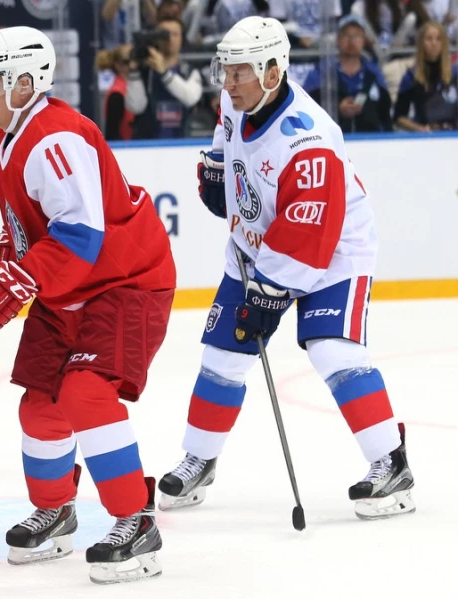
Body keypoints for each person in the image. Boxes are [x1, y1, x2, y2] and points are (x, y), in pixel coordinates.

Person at [157, 16, 415, 521]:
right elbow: (225, 137)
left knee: (333, 351)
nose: (227, 82)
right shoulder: (237, 100)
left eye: (239, 72)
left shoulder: (309, 141)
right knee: (223, 355)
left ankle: (392, 463)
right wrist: (216, 169)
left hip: (333, 251)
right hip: (258, 246)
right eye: (225, 70)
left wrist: (266, 295)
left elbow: (308, 239)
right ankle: (199, 460)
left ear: (272, 73)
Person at [0, 26, 176, 584]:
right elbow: (22, 232)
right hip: (68, 288)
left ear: (24, 82)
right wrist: (0, 280)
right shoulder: (6, 139)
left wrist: (20, 280)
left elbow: (81, 234)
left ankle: (136, 520)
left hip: (124, 282)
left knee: (85, 393)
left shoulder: (55, 139)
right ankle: (56, 511)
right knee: (40, 403)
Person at [301, 16, 393, 132]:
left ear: (364, 40)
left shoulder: (373, 73)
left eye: (356, 36)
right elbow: (306, 105)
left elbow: (385, 111)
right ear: (338, 40)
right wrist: (337, 108)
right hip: (330, 135)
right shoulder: (322, 71)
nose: (351, 41)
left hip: (369, 136)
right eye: (346, 35)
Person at [127, 17, 204, 138]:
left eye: (175, 34)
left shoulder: (190, 71)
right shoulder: (145, 71)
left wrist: (164, 72)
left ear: (182, 38)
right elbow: (136, 107)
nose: (170, 39)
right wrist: (134, 71)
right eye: (164, 34)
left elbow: (190, 98)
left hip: (182, 141)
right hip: (148, 142)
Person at [394, 21, 458, 132]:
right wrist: (420, 129)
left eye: (438, 39)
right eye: (429, 39)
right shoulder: (411, 76)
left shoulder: (455, 73)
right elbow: (399, 117)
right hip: (425, 135)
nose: (434, 43)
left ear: (444, 43)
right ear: (421, 43)